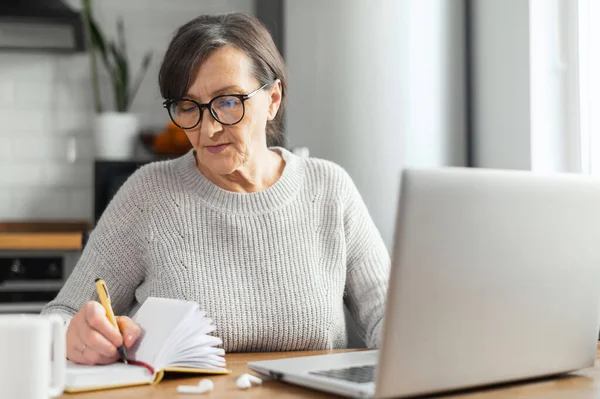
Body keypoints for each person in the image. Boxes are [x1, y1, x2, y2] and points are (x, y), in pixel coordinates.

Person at [41, 12, 390, 365]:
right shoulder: (148, 195)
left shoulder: (329, 188)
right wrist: (74, 334)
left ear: (272, 100)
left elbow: (388, 315)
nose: (207, 130)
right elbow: (59, 317)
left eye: (227, 102)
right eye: (189, 106)